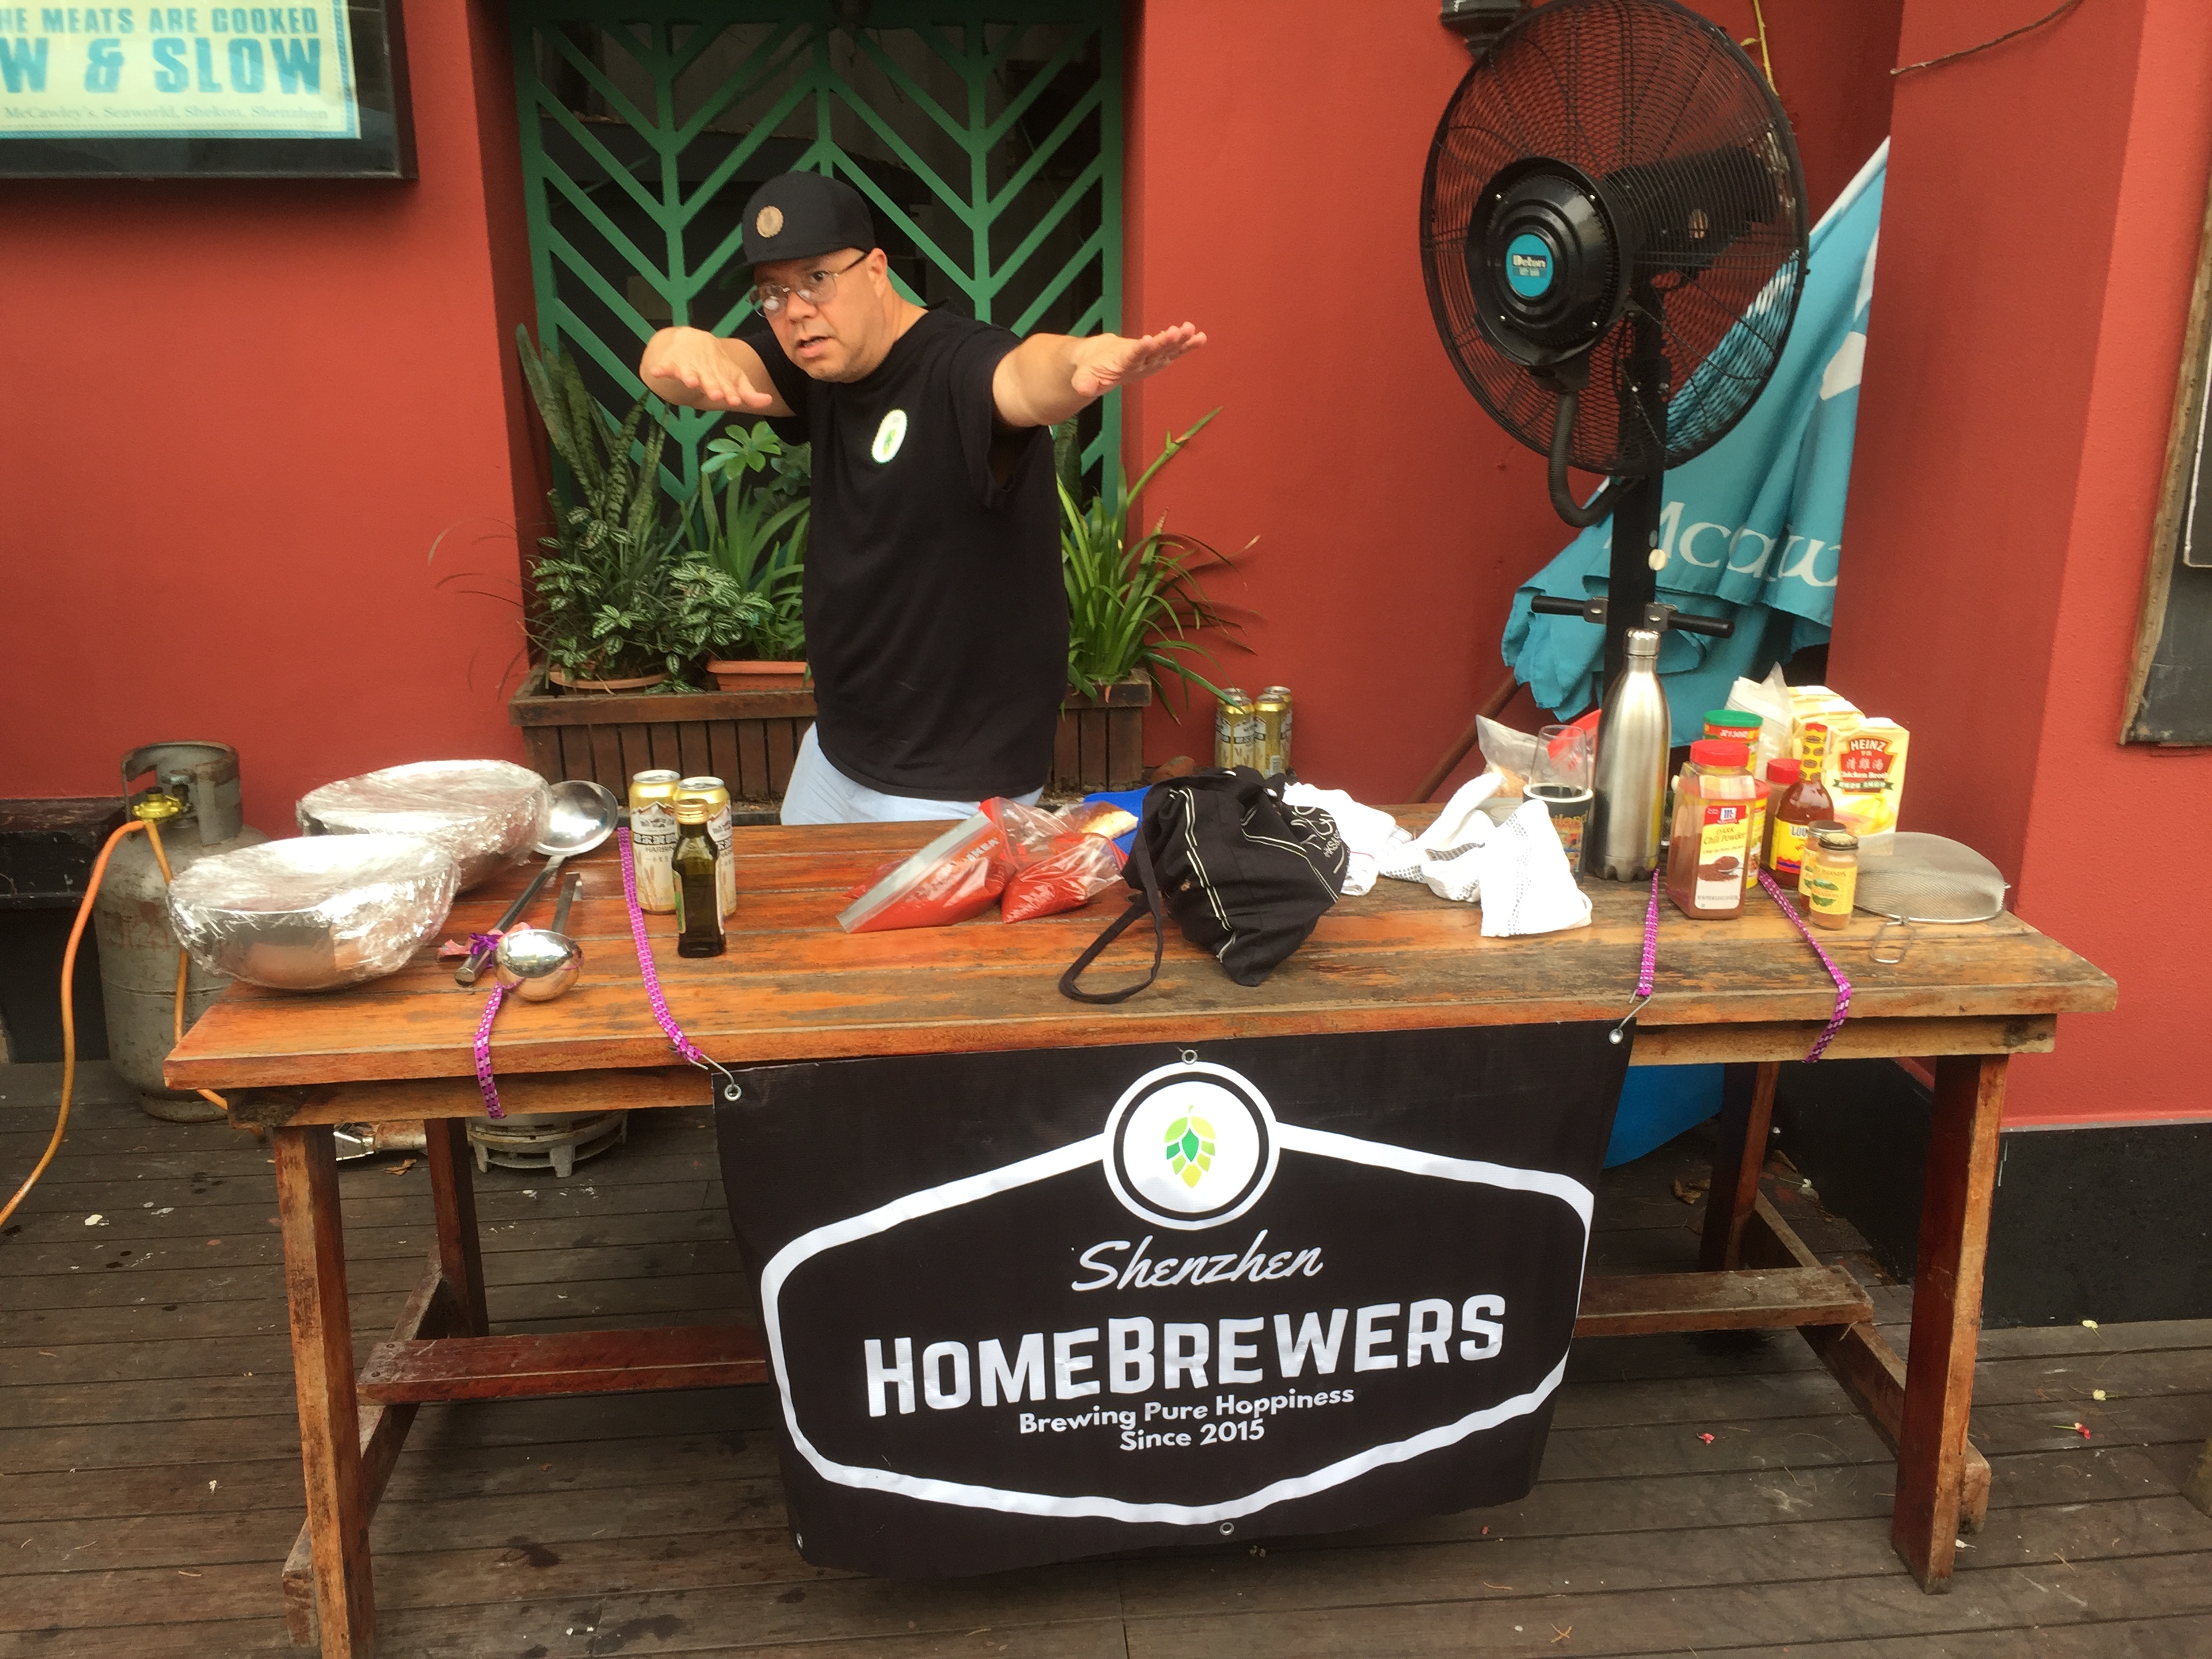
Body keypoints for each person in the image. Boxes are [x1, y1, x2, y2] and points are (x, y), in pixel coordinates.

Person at [639, 171, 1205, 825]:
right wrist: (677, 344)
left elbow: (1024, 375)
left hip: (952, 776)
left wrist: (1081, 360)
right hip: (836, 751)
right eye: (773, 292)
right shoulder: (820, 363)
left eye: (817, 278)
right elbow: (691, 375)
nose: (795, 310)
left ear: (877, 270)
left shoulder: (957, 364)